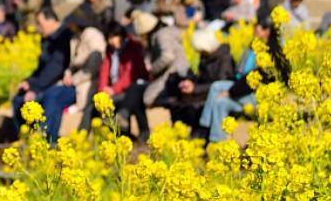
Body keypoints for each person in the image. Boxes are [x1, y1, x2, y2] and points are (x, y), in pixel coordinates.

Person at [198, 17, 283, 143]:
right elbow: (241, 73)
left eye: (258, 29)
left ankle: (209, 134)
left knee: (218, 95)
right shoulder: (253, 46)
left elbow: (253, 80)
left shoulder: (269, 53)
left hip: (254, 95)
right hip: (242, 87)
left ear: (267, 31)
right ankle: (210, 134)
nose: (254, 31)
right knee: (217, 93)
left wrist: (230, 92)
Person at [121, 11, 190, 142]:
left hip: (172, 79)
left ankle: (136, 125)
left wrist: (152, 70)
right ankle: (134, 124)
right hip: (172, 77)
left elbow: (167, 57)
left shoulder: (162, 35)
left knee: (137, 93)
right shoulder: (166, 32)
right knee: (135, 90)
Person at [11, 7, 75, 144]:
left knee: (49, 98)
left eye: (41, 23)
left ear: (51, 20)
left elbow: (55, 69)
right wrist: (28, 82)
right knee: (18, 99)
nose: (39, 27)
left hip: (62, 84)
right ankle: (25, 139)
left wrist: (35, 88)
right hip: (45, 83)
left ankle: (47, 142)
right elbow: (41, 68)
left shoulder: (63, 36)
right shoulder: (47, 39)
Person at [162, 26, 236, 132]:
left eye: (200, 50)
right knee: (175, 103)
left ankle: (199, 134)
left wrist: (195, 88)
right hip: (204, 89)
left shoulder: (225, 58)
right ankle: (179, 133)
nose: (199, 53)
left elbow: (220, 84)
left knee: (192, 107)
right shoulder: (206, 56)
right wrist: (189, 82)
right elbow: (201, 76)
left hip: (216, 93)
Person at [90, 21, 148, 130]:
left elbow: (130, 74)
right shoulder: (110, 51)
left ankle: (128, 127)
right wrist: (102, 90)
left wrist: (113, 89)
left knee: (130, 97)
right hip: (117, 88)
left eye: (114, 37)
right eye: (109, 38)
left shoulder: (133, 47)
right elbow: (104, 71)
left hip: (135, 85)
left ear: (121, 35)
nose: (111, 41)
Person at [65, 15, 106, 128]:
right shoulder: (75, 38)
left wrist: (74, 79)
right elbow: (72, 62)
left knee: (86, 101)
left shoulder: (92, 35)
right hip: (76, 78)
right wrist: (68, 74)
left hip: (91, 77)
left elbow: (94, 63)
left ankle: (83, 131)